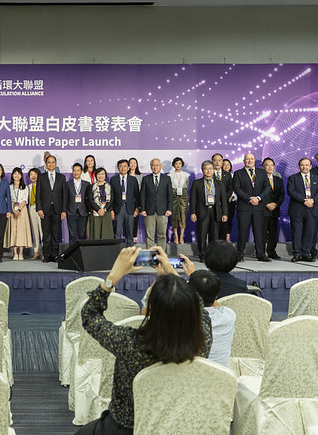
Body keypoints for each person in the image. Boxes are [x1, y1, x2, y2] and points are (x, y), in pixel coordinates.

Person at [77, 246, 212, 434]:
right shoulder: (203, 340)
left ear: (151, 308)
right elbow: (199, 307)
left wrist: (113, 277)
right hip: (179, 427)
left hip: (128, 427)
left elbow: (89, 316)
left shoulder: (129, 343)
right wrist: (172, 275)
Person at [182, 268, 236, 369]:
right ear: (217, 295)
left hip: (190, 376)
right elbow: (214, 303)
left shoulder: (183, 319)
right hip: (223, 376)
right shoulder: (229, 315)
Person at [233, 153, 271, 262]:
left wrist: (258, 198)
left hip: (258, 207)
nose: (249, 161)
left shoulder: (262, 172)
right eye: (247, 159)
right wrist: (249, 198)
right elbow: (237, 188)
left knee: (259, 232)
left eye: (252, 159)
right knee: (242, 231)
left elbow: (267, 187)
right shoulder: (238, 173)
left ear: (255, 160)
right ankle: (240, 254)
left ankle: (261, 254)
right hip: (244, 207)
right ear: (244, 161)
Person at [287, 158, 318, 262]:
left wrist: (313, 200)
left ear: (310, 166)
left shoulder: (317, 178)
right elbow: (291, 191)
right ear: (299, 166)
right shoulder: (293, 178)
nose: (305, 167)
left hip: (312, 208)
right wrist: (304, 200)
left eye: (307, 165)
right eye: (302, 165)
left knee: (309, 232)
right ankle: (297, 254)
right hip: (297, 208)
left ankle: (306, 253)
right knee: (297, 232)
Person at [190, 161, 227, 261]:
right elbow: (193, 199)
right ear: (202, 170)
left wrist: (224, 213)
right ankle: (202, 255)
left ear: (214, 170)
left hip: (215, 211)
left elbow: (224, 200)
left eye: (210, 169)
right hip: (202, 211)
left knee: (214, 236)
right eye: (206, 169)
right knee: (202, 235)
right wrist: (193, 212)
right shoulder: (197, 183)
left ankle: (212, 256)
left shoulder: (219, 183)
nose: (208, 171)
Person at [36, 155, 67, 262]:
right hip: (44, 210)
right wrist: (39, 209)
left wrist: (64, 210)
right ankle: (46, 255)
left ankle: (55, 255)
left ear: (56, 164)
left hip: (57, 210)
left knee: (55, 234)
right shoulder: (41, 177)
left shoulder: (61, 177)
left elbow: (64, 196)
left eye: (53, 162)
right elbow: (38, 194)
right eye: (49, 162)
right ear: (46, 164)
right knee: (46, 234)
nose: (51, 164)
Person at [140, 158, 173, 248]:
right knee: (149, 236)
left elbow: (170, 195)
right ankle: (150, 254)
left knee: (162, 235)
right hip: (149, 211)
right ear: (151, 167)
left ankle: (161, 254)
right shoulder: (146, 179)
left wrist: (169, 209)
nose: (155, 167)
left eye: (157, 165)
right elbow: (142, 195)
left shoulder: (167, 179)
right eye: (153, 165)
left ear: (160, 166)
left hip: (163, 211)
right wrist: (142, 209)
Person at [109, 159, 140, 246]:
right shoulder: (113, 180)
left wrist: (137, 208)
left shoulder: (133, 179)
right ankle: (117, 251)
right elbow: (111, 197)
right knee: (117, 233)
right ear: (118, 168)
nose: (123, 168)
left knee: (130, 233)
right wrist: (111, 210)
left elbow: (137, 195)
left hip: (130, 209)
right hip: (118, 209)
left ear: (128, 167)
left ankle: (130, 251)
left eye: (125, 166)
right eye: (120, 166)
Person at [5, 167, 32, 261]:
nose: (16, 176)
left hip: (22, 210)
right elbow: (7, 199)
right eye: (15, 174)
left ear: (21, 176)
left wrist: (19, 209)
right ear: (12, 175)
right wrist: (13, 210)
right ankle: (15, 253)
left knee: (21, 231)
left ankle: (21, 253)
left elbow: (25, 200)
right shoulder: (9, 187)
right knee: (13, 230)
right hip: (11, 208)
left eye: (18, 174)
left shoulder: (25, 187)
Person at [261, 158, 285, 260]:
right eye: (267, 165)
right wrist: (267, 204)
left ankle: (271, 251)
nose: (270, 167)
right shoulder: (259, 179)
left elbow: (282, 195)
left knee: (273, 233)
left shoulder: (278, 179)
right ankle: (261, 252)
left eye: (271, 165)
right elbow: (257, 194)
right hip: (263, 209)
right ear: (263, 167)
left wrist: (275, 204)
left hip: (274, 210)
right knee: (262, 232)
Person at [66, 163, 90, 243]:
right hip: (71, 212)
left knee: (82, 235)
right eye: (74, 171)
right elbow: (65, 198)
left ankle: (82, 251)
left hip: (83, 212)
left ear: (81, 172)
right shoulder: (67, 184)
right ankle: (72, 251)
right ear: (72, 171)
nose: (76, 173)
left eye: (78, 171)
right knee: (72, 235)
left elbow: (89, 199)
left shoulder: (86, 184)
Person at [89, 167, 114, 240]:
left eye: (102, 174)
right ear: (96, 175)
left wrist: (104, 209)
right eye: (99, 174)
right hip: (96, 212)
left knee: (106, 233)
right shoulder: (91, 186)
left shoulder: (109, 186)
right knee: (96, 234)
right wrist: (98, 209)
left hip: (106, 212)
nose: (101, 176)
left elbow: (112, 199)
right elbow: (90, 200)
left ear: (105, 175)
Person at [170, 157, 189, 244]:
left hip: (183, 198)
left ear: (182, 165)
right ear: (173, 165)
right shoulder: (170, 175)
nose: (178, 165)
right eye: (176, 163)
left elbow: (187, 187)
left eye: (179, 163)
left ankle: (181, 236)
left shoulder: (186, 175)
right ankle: (176, 236)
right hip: (174, 198)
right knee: (174, 217)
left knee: (183, 217)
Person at [27, 168, 43, 259]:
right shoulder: (28, 187)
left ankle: (45, 252)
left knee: (42, 231)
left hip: (41, 210)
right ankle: (36, 252)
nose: (33, 176)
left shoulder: (42, 186)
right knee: (34, 231)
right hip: (32, 208)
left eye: (35, 174)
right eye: (31, 174)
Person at [220, 158, 237, 241]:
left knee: (229, 220)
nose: (226, 166)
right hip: (220, 202)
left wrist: (232, 196)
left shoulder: (233, 176)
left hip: (231, 201)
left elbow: (235, 188)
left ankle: (227, 238)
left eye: (228, 164)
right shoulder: (218, 176)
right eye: (224, 164)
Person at [128, 157, 142, 243]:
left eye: (134, 163)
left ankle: (134, 237)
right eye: (131, 163)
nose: (133, 165)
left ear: (137, 165)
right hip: (127, 200)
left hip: (137, 201)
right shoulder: (125, 175)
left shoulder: (140, 176)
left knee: (135, 220)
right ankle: (127, 237)